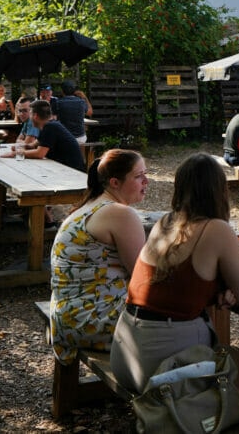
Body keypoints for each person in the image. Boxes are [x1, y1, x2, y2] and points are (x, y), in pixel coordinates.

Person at [110, 154, 239, 433]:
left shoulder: (164, 223)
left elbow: (173, 285)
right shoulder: (215, 229)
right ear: (219, 190)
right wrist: (224, 289)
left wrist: (215, 289)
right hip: (163, 365)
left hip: (125, 353)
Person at [50, 150, 148, 364]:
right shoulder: (120, 214)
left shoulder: (88, 207)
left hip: (68, 317)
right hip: (92, 320)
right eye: (139, 176)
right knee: (183, 313)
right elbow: (144, 278)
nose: (146, 181)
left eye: (145, 174)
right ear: (115, 182)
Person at [5, 100, 85, 171]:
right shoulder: (49, 125)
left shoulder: (50, 127)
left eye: (30, 114)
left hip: (73, 172)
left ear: (35, 116)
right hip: (63, 168)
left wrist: (16, 153)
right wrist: (21, 146)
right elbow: (32, 145)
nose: (29, 117)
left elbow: (39, 154)